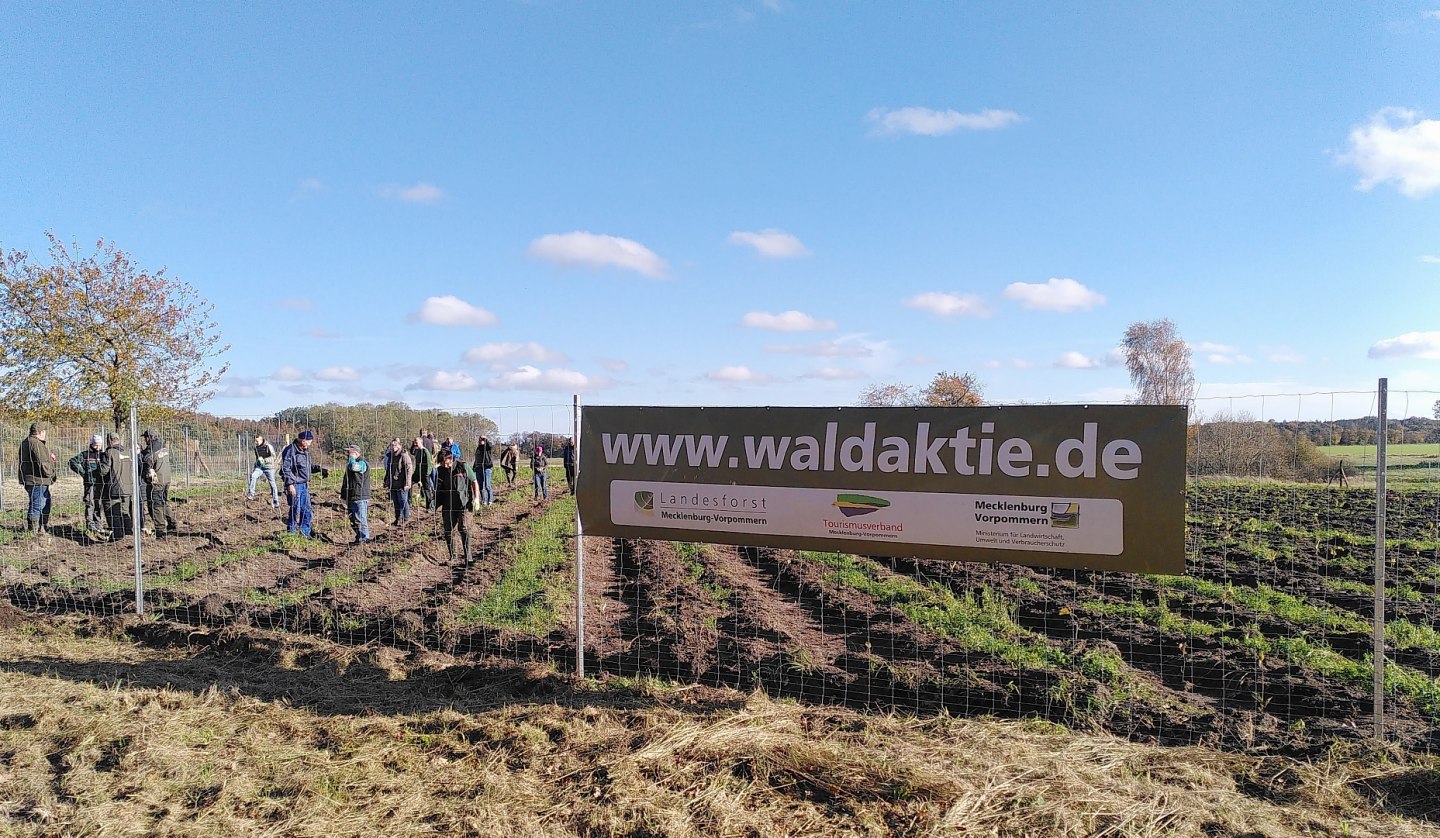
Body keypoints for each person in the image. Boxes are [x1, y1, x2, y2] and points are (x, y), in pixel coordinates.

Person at [434, 447, 478, 564]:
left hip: (464, 503)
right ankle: (453, 557)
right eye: (442, 463)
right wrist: (434, 504)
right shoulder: (440, 471)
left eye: (446, 462)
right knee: (448, 530)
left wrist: (477, 498)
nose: (445, 465)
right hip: (448, 504)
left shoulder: (462, 466)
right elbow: (437, 489)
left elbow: (474, 481)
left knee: (463, 528)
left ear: (450, 458)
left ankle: (468, 557)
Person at [280, 430, 328, 537]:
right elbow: (285, 469)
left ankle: (305, 532)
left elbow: (306, 468)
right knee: (295, 509)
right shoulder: (290, 451)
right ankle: (291, 533)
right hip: (295, 485)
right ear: (302, 440)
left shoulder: (305, 451)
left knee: (306, 509)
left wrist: (319, 469)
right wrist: (289, 484)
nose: (310, 443)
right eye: (309, 441)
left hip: (304, 484)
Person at [17, 422, 57, 536]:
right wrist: (51, 474)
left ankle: (39, 528)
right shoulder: (36, 443)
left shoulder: (26, 442)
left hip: (30, 478)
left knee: (38, 502)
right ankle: (35, 531)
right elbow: (42, 462)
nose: (45, 434)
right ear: (41, 432)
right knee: (39, 504)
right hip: (37, 479)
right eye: (44, 432)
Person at [97, 432, 138, 540]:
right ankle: (128, 535)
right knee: (125, 512)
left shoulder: (110, 452)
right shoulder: (128, 452)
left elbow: (103, 471)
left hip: (115, 488)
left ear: (109, 440)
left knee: (113, 512)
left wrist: (98, 464)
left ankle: (117, 536)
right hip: (128, 488)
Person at [68, 434, 108, 536]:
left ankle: (99, 524)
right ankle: (90, 525)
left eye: (99, 445)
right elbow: (72, 462)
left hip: (101, 483)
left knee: (99, 504)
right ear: (92, 444)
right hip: (89, 483)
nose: (97, 447)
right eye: (95, 445)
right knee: (90, 504)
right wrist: (83, 473)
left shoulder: (103, 455)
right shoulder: (85, 455)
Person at [140, 430, 177, 537]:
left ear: (150, 437)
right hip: (166, 478)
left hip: (157, 481)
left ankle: (160, 529)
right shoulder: (163, 446)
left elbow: (147, 461)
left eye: (146, 437)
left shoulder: (151, 450)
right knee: (164, 501)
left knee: (156, 504)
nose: (145, 440)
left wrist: (141, 455)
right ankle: (172, 522)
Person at [338, 444, 371, 544]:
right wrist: (344, 494)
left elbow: (354, 467)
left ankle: (364, 539)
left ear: (356, 453)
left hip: (359, 495)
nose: (347, 455)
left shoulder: (362, 463)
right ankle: (359, 538)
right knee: (353, 519)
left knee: (360, 519)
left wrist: (352, 459)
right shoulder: (350, 464)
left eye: (349, 453)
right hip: (351, 495)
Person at [384, 438, 414, 526]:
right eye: (392, 446)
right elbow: (388, 470)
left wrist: (408, 483)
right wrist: (386, 480)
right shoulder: (390, 456)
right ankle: (398, 518)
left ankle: (406, 518)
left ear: (399, 446)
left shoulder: (404, 455)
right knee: (395, 501)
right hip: (393, 483)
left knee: (403, 501)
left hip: (402, 483)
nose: (393, 448)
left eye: (395, 446)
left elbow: (409, 469)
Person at [248, 434, 281, 507]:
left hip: (269, 467)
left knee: (272, 484)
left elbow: (273, 456)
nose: (256, 443)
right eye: (255, 441)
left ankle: (276, 501)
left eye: (257, 441)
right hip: (260, 467)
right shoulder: (256, 448)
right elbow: (257, 458)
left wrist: (264, 460)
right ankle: (251, 494)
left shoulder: (268, 446)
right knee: (253, 476)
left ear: (261, 439)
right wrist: (256, 464)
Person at [410, 437, 434, 511]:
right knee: (409, 484)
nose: (415, 444)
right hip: (417, 473)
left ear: (421, 442)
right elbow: (412, 452)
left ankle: (430, 506)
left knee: (427, 490)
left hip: (424, 474)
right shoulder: (416, 451)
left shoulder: (425, 451)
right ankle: (409, 502)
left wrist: (426, 474)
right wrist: (412, 445)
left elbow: (429, 464)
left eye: (416, 442)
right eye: (414, 442)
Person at [474, 434, 495, 505]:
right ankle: (483, 501)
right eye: (480, 439)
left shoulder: (487, 448)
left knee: (487, 485)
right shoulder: (478, 448)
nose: (480, 441)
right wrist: (475, 467)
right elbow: (476, 458)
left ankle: (490, 500)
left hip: (487, 468)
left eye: (482, 440)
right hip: (478, 468)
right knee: (480, 486)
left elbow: (490, 446)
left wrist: (485, 439)